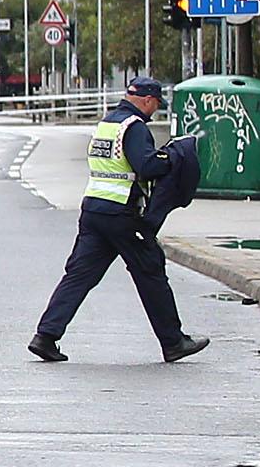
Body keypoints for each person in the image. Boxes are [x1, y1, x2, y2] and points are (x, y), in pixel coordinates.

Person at [29, 69, 210, 365]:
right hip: (123, 214)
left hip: (93, 210)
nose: (156, 109)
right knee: (151, 272)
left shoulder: (107, 123)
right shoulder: (135, 127)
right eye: (157, 104)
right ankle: (173, 342)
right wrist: (171, 157)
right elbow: (146, 166)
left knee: (79, 275)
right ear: (149, 101)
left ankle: (45, 336)